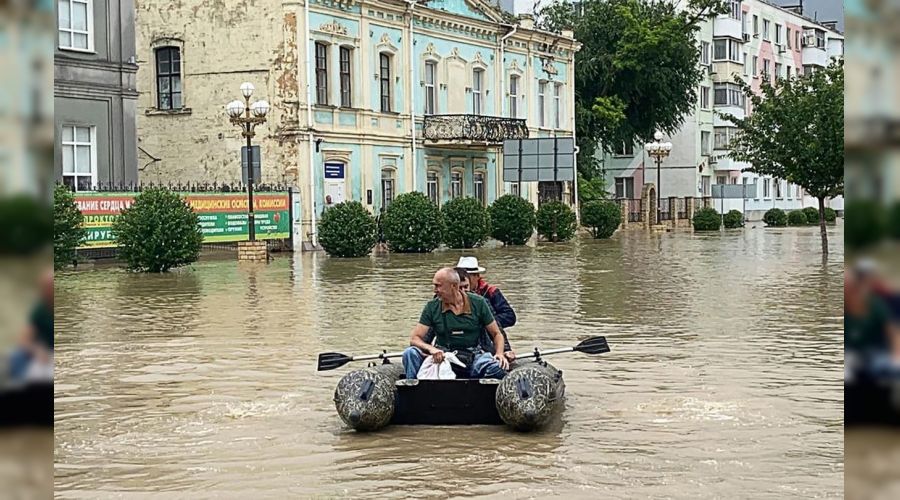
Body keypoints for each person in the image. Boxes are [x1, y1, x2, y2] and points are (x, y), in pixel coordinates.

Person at [402, 268, 509, 380]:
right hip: (442, 357)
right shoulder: (432, 307)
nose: (435, 290)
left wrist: (500, 353)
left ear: (453, 286)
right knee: (410, 353)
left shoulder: (479, 302)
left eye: (438, 286)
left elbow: (497, 334)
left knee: (498, 368)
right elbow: (415, 339)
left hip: (473, 358)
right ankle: (414, 390)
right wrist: (432, 349)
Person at [455, 256, 516, 360]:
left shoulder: (490, 292)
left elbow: (509, 318)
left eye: (468, 276)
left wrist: (484, 322)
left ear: (477, 276)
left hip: (486, 337)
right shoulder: (440, 300)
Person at [8, 268, 54, 381]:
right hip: (42, 351)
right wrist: (37, 351)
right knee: (15, 355)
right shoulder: (40, 309)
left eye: (50, 287)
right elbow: (24, 338)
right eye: (44, 288)